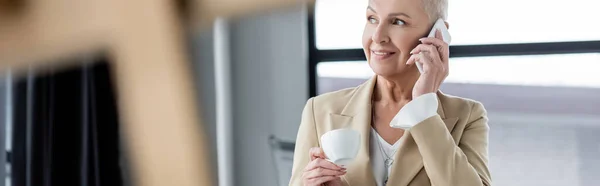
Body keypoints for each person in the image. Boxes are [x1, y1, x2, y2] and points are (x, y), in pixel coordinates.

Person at [288, 0, 492, 185]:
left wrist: (423, 109)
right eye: (372, 19)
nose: (377, 36)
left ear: (437, 33)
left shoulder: (469, 115)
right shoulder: (320, 110)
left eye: (398, 22)